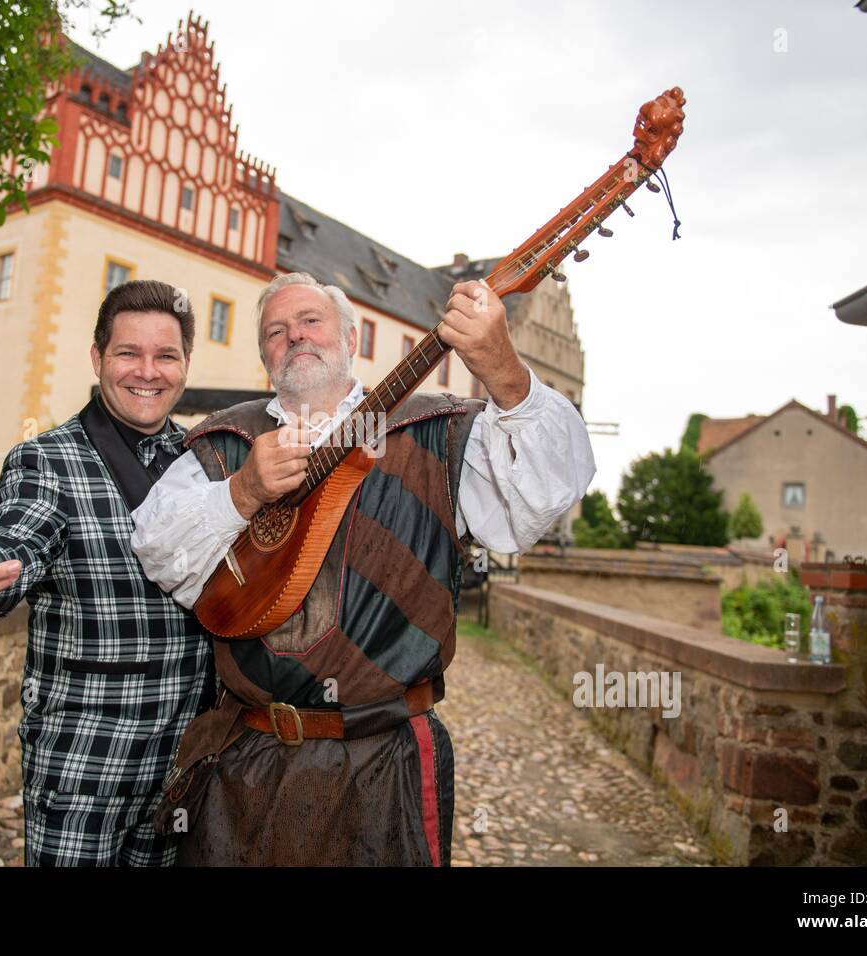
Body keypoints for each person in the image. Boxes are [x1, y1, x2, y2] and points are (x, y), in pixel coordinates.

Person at [130, 271, 596, 865]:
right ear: (265, 356)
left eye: (310, 321)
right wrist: (241, 493)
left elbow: (551, 488)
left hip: (387, 759)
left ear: (350, 341)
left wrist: (505, 372)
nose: (294, 335)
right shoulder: (225, 441)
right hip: (250, 754)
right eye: (276, 331)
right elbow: (158, 549)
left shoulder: (437, 432)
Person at [0, 279, 214, 866]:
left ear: (186, 364)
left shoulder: (205, 458)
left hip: (186, 764)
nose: (148, 371)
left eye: (166, 355)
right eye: (128, 353)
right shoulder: (47, 459)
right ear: (97, 359)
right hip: (84, 764)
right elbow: (17, 550)